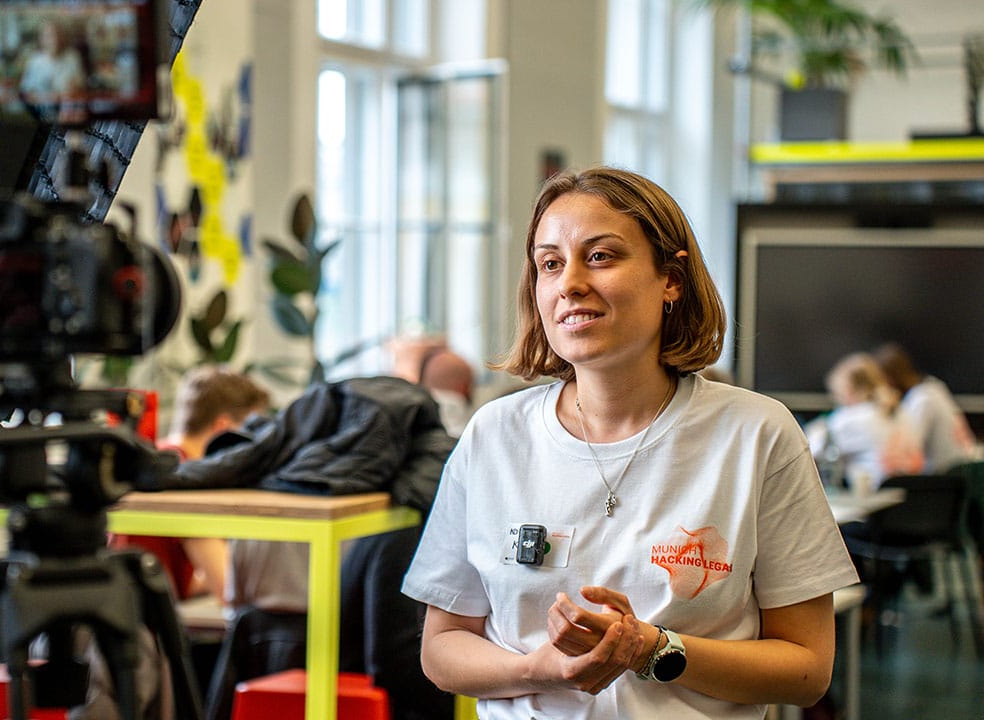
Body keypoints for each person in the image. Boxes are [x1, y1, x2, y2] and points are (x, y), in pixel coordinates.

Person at [401, 166, 859, 719]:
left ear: (672, 279)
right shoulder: (493, 435)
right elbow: (442, 649)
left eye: (600, 256)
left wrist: (652, 648)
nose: (569, 282)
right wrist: (539, 669)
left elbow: (807, 668)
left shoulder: (757, 434)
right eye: (550, 264)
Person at [110, 365, 271, 601]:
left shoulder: (160, 459)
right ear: (223, 428)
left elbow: (178, 580)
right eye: (249, 434)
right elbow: (229, 592)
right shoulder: (187, 480)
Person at [808, 352, 924, 492]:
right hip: (912, 499)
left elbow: (810, 450)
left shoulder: (852, 418)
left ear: (848, 390)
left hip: (874, 504)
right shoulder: (901, 411)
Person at [873, 342, 978, 472]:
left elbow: (908, 449)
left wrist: (886, 412)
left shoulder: (921, 400)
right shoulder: (933, 388)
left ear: (888, 379)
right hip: (966, 469)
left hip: (954, 477)